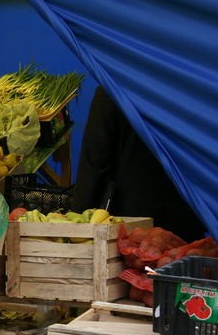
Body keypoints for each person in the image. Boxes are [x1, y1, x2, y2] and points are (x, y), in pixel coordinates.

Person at [71, 85, 206, 241]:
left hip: (135, 225)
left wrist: (75, 229)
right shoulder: (192, 86)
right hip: (186, 217)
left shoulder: (114, 86)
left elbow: (95, 163)